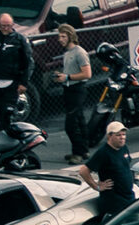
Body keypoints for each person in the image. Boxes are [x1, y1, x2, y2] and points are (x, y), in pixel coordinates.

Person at [80, 121, 137, 225]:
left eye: (124, 134)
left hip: (128, 198)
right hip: (114, 203)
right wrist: (97, 186)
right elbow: (83, 171)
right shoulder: (103, 153)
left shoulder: (124, 147)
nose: (122, 137)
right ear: (109, 136)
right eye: (118, 135)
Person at [55, 24, 93, 164]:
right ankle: (83, 150)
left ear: (71, 36)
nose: (60, 39)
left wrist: (67, 77)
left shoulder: (79, 52)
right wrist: (62, 76)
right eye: (59, 36)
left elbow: (87, 74)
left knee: (71, 124)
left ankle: (77, 153)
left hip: (78, 89)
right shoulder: (67, 53)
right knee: (79, 120)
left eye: (63, 36)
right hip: (69, 89)